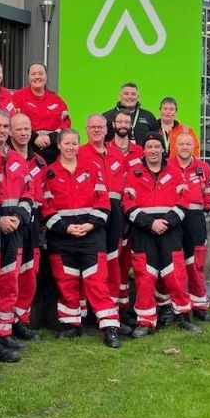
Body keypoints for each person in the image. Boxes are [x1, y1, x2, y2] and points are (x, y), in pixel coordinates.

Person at [41, 129, 121, 348]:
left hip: (91, 236)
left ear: (79, 145)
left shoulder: (92, 169)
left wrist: (89, 225)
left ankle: (110, 327)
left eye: (74, 143)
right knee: (66, 283)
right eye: (66, 143)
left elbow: (103, 202)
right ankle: (71, 324)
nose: (70, 147)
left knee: (97, 283)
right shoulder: (49, 173)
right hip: (62, 238)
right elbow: (46, 208)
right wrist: (67, 228)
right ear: (59, 145)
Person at [123, 132, 201, 338]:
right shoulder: (134, 172)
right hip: (143, 233)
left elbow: (184, 201)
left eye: (157, 146)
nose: (153, 150)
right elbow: (128, 205)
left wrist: (165, 223)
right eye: (149, 146)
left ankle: (184, 315)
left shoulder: (175, 173)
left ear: (163, 149)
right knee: (145, 277)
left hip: (171, 231)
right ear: (144, 150)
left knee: (175, 275)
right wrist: (150, 223)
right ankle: (145, 321)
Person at [0, 110, 34, 354]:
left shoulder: (17, 158)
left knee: (9, 282)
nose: (2, 130)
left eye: (6, 126)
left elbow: (28, 193)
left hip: (15, 227)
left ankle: (4, 332)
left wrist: (17, 217)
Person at [78, 114, 130, 333]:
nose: (97, 130)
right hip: (92, 213)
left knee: (113, 262)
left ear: (107, 129)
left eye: (100, 127)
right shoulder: (79, 153)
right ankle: (86, 314)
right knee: (92, 265)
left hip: (116, 213)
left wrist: (126, 216)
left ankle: (112, 312)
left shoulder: (117, 154)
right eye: (92, 127)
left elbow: (128, 186)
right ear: (86, 130)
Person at [8, 113, 47, 341]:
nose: (23, 133)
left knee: (28, 275)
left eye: (26, 129)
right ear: (11, 132)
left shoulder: (39, 162)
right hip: (12, 223)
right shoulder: (7, 158)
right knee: (9, 276)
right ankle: (5, 323)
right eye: (19, 129)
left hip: (33, 224)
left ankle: (21, 321)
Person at [105, 109, 144, 319]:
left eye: (126, 121)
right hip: (112, 212)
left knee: (128, 259)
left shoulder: (139, 151)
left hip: (135, 211)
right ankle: (110, 304)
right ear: (113, 124)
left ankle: (124, 305)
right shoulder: (105, 150)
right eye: (119, 121)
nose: (123, 124)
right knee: (113, 257)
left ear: (131, 125)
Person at [174, 132, 210, 321]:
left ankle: (199, 305)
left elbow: (209, 197)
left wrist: (201, 213)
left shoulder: (204, 168)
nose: (184, 147)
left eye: (188, 144)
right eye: (181, 144)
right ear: (175, 146)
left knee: (196, 264)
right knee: (173, 265)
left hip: (195, 219)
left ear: (194, 146)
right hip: (173, 220)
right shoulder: (167, 166)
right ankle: (174, 305)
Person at [11, 62, 70, 164]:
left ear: (46, 76)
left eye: (40, 73)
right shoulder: (18, 97)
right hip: (28, 147)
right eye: (33, 74)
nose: (37, 77)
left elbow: (66, 124)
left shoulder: (57, 100)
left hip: (54, 149)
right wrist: (34, 137)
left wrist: (51, 138)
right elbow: (13, 121)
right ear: (28, 77)